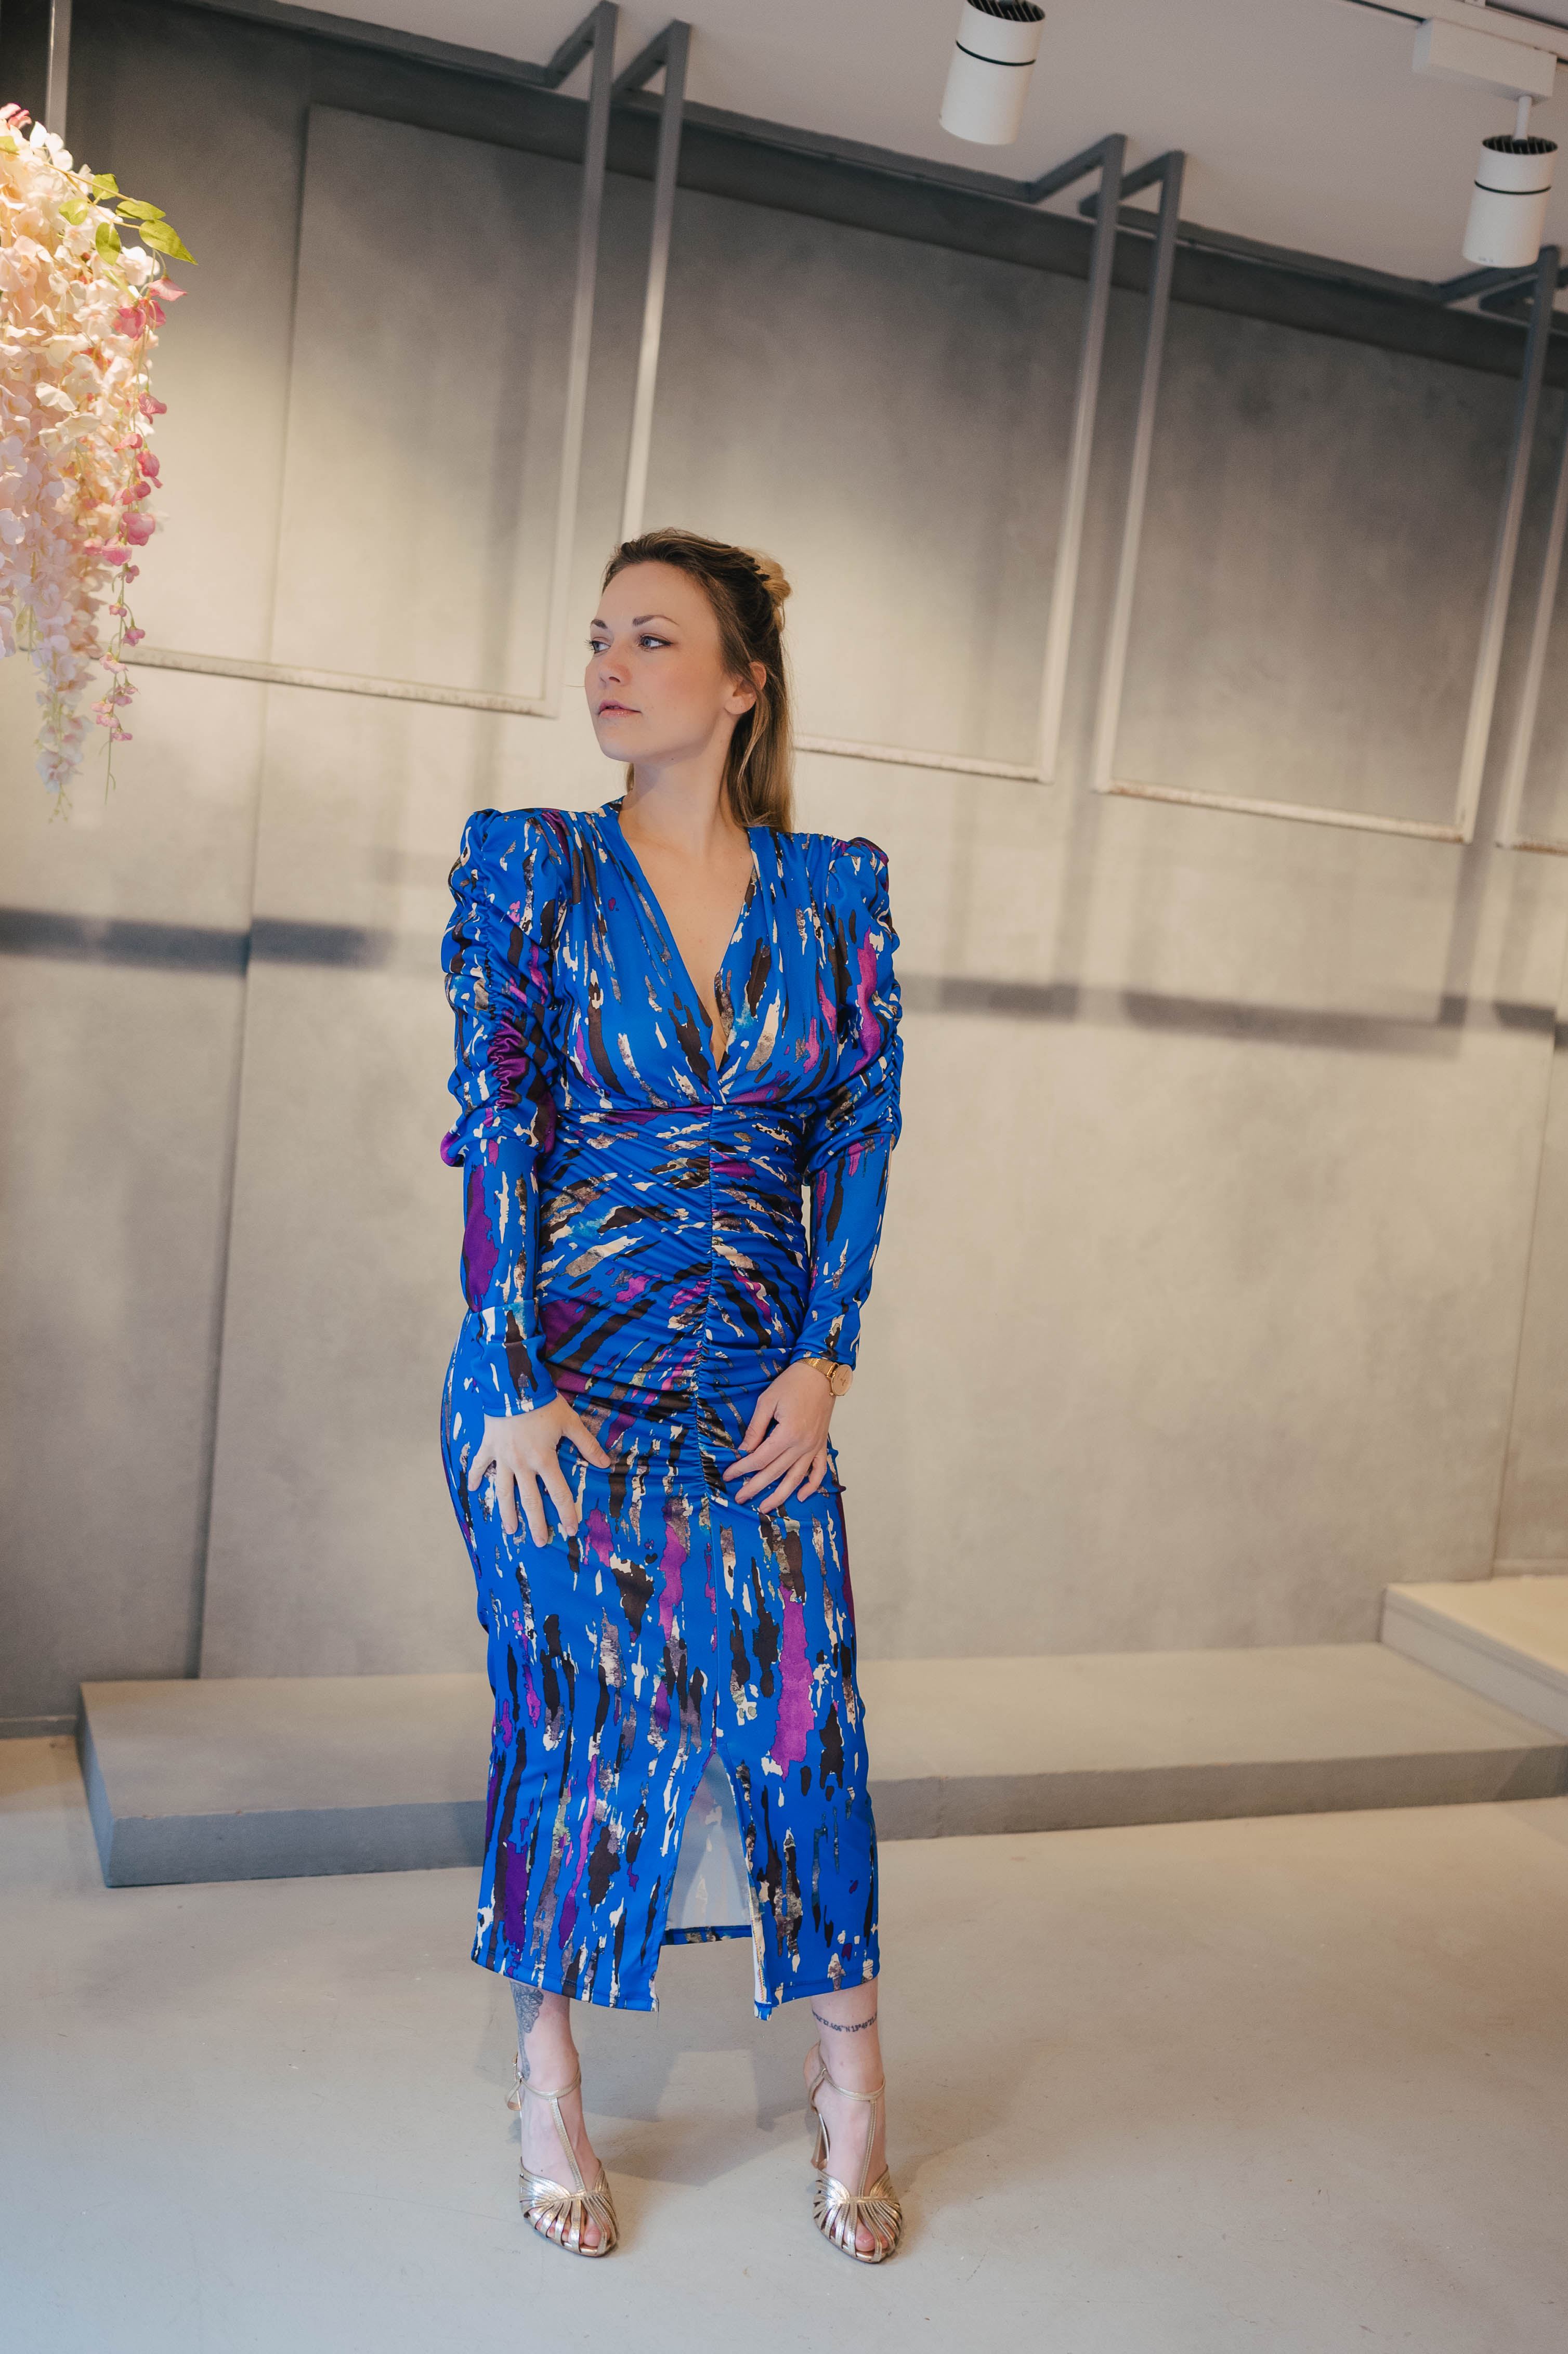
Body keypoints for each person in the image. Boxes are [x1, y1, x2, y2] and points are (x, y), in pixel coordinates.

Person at [439, 527, 904, 2263]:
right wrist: (507, 1372)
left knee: (802, 1719)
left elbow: (858, 1130)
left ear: (742, 683)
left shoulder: (832, 891)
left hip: (760, 1382)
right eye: (598, 637)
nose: (609, 667)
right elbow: (499, 1125)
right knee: (577, 1717)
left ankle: (853, 2083)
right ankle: (548, 2082)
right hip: (559, 1378)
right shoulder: (533, 868)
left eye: (651, 638)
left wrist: (827, 1350)